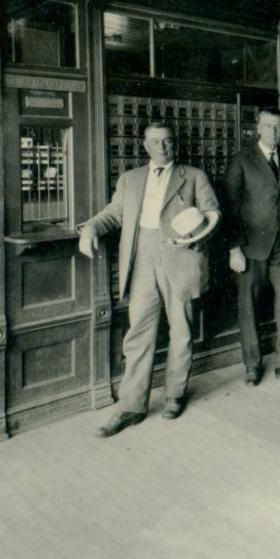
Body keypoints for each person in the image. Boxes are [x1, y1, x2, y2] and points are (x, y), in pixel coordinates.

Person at [79, 122, 220, 438]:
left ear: (175, 144)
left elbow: (213, 215)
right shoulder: (131, 179)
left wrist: (192, 238)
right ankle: (131, 406)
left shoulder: (194, 176)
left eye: (168, 141)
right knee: (139, 330)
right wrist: (89, 228)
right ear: (145, 145)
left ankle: (174, 395)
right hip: (141, 255)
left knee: (181, 330)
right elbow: (114, 214)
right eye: (156, 142)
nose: (162, 147)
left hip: (179, 257)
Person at [223, 108, 280, 387]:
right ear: (257, 128)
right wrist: (234, 248)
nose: (273, 131)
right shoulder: (241, 160)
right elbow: (229, 206)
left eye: (278, 126)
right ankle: (252, 365)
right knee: (247, 306)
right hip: (250, 245)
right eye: (268, 126)